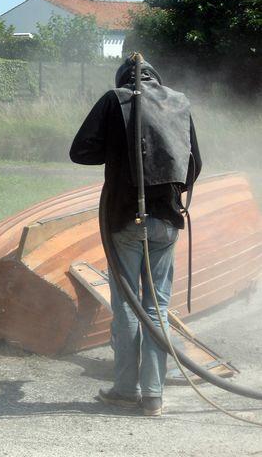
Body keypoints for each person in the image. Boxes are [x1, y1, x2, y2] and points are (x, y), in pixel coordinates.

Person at [69, 53, 202, 416]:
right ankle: (154, 396)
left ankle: (126, 390)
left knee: (127, 305)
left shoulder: (116, 99)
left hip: (125, 220)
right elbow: (195, 165)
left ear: (125, 78)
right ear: (155, 77)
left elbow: (80, 152)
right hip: (168, 221)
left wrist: (115, 147)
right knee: (157, 307)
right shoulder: (178, 101)